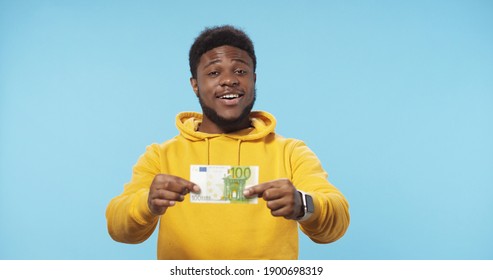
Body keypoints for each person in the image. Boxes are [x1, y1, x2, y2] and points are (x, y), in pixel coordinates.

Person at [106, 25, 350, 260]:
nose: (229, 80)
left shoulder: (291, 152)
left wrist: (302, 204)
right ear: (195, 85)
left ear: (254, 79)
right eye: (214, 72)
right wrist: (147, 203)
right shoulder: (161, 156)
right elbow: (118, 228)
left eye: (240, 71)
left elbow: (337, 223)